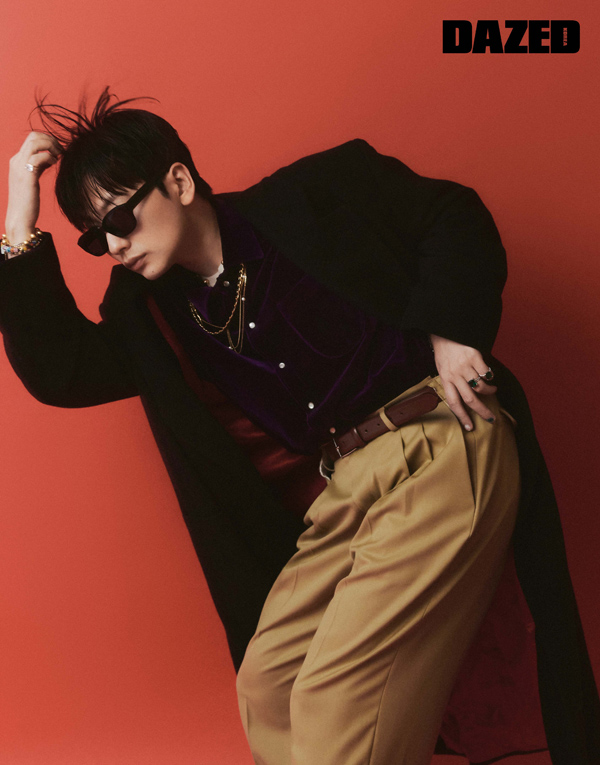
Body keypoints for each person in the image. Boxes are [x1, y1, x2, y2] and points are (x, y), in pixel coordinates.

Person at [1, 88, 598, 765]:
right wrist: (19, 217)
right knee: (271, 685)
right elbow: (63, 372)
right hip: (345, 492)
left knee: (333, 696)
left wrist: (452, 332)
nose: (113, 245)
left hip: (438, 438)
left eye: (120, 218)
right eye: (94, 237)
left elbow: (452, 213)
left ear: (179, 181)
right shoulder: (156, 315)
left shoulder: (313, 195)